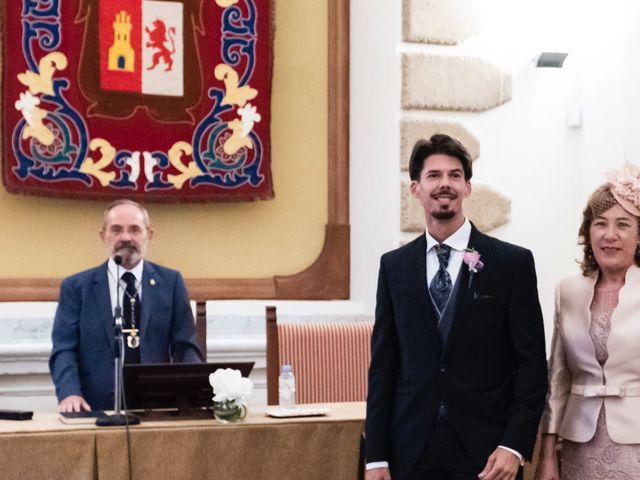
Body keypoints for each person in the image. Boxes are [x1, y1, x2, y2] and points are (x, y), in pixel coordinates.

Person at [365, 134, 548, 480]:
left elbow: (531, 366)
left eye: (454, 175)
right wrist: (376, 457)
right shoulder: (394, 267)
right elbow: (384, 367)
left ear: (467, 187)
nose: (444, 184)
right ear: (415, 189)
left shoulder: (511, 264)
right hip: (412, 451)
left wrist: (514, 445)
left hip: (488, 455)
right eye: (434, 176)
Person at [535, 164, 640, 480]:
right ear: (587, 231)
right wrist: (547, 454)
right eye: (600, 224)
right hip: (579, 442)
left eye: (623, 224)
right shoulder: (567, 290)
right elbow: (558, 378)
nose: (610, 235)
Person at [49, 199, 204, 412]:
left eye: (134, 229)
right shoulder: (77, 287)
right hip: (94, 408)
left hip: (157, 406)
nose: (125, 238)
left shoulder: (171, 283)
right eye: (116, 230)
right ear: (103, 236)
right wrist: (69, 393)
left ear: (149, 235)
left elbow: (185, 347)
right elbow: (64, 349)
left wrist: (195, 392)